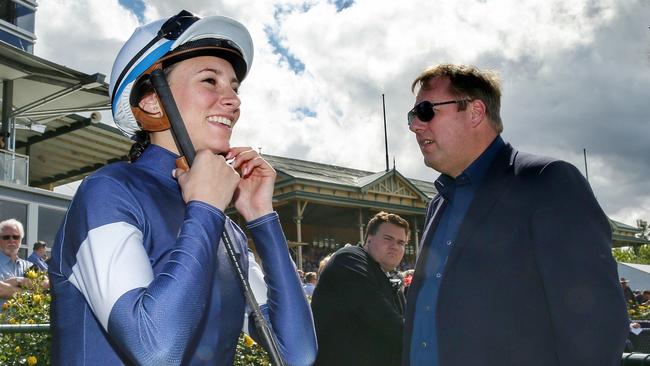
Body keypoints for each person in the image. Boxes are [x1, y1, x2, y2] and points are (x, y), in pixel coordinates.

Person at [49, 10, 316, 366]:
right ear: (152, 101)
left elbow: (297, 354)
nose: (234, 101)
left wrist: (262, 218)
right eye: (210, 81)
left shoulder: (226, 230)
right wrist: (205, 207)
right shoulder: (107, 191)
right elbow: (155, 350)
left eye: (234, 87)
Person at [403, 64, 628, 366]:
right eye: (412, 116)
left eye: (426, 111)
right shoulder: (438, 204)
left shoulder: (547, 181)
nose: (416, 125)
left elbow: (595, 323)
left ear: (475, 112)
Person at [311, 211, 408, 366]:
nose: (395, 247)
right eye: (388, 238)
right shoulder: (349, 259)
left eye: (401, 243)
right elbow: (383, 318)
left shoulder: (386, 275)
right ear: (369, 239)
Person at [0, 219, 31, 306]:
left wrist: (12, 284)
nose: (11, 240)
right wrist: (20, 281)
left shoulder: (29, 266)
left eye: (16, 237)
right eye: (6, 237)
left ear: (21, 240)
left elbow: (43, 284)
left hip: (27, 319)